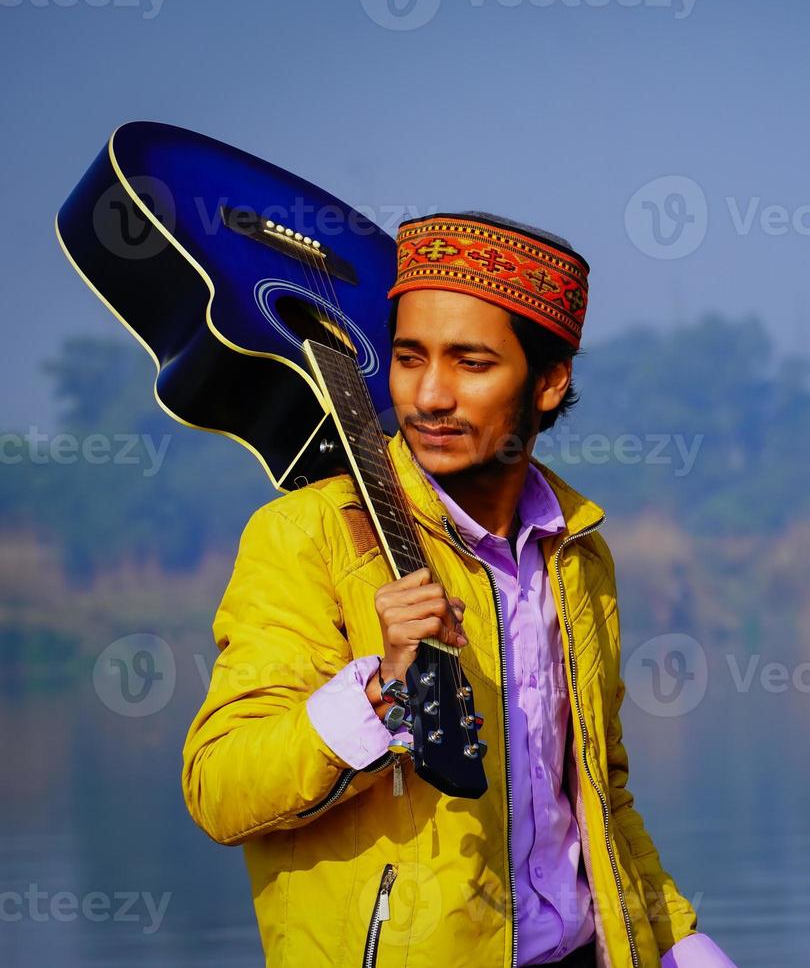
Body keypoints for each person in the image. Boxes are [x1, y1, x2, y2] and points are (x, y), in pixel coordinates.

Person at [181, 212, 736, 968]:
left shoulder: (577, 554)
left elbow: (600, 799)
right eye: (409, 359)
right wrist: (377, 690)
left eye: (470, 363)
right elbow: (220, 786)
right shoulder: (308, 535)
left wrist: (682, 946)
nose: (430, 395)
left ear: (548, 382)